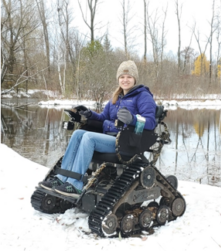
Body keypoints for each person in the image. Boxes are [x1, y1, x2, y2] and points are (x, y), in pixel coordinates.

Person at [39, 60, 157, 198]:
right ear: (118, 79)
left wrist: (133, 119)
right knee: (78, 133)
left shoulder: (143, 96)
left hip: (125, 142)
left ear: (134, 79)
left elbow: (150, 122)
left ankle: (75, 184)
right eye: (122, 77)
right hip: (108, 138)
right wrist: (89, 114)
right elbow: (102, 118)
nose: (125, 80)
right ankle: (61, 178)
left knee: (89, 137)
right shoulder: (116, 98)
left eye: (129, 77)